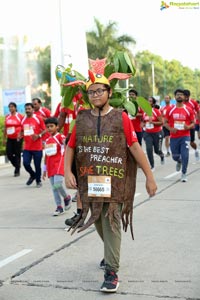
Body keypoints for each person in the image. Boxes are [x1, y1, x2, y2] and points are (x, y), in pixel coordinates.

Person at [64, 72, 157, 293]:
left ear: (109, 92)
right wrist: (67, 172)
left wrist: (150, 177)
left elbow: (134, 147)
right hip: (91, 180)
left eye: (99, 90)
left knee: (111, 221)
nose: (95, 95)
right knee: (97, 221)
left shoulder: (121, 117)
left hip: (116, 181)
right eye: (91, 91)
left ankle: (111, 272)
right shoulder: (82, 118)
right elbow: (70, 146)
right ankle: (110, 254)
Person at [42, 117, 71, 216]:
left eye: (51, 126)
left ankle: (66, 197)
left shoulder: (60, 137)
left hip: (59, 163)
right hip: (50, 165)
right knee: (54, 188)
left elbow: (67, 143)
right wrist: (44, 170)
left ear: (57, 127)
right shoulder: (47, 140)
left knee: (57, 183)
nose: (49, 128)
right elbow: (46, 155)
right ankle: (59, 207)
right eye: (47, 127)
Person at [164, 89, 195, 182]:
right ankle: (178, 161)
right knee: (175, 156)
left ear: (184, 97)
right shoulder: (170, 109)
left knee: (185, 155)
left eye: (181, 95)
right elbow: (164, 122)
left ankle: (184, 173)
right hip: (174, 137)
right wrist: (170, 129)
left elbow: (193, 123)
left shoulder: (188, 110)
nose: (179, 96)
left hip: (185, 136)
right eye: (177, 95)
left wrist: (188, 126)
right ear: (175, 97)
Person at [20, 103, 46, 187]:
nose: (27, 110)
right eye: (26, 109)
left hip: (37, 147)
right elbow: (22, 130)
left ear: (32, 109)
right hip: (27, 147)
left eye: (29, 109)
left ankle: (38, 181)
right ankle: (33, 174)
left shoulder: (38, 118)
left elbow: (45, 130)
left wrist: (39, 135)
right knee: (25, 163)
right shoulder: (23, 119)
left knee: (37, 165)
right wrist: (20, 135)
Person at [142, 96, 165, 171]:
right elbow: (143, 120)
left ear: (153, 103)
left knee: (157, 150)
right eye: (147, 101)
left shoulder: (156, 111)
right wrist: (142, 124)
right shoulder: (144, 111)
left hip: (157, 133)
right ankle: (152, 165)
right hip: (147, 133)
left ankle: (161, 155)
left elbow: (162, 122)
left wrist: (153, 122)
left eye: (150, 101)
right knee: (149, 149)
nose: (148, 102)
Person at [3, 102, 23, 176]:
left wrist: (21, 134)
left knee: (17, 153)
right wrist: (4, 138)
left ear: (15, 107)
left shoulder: (19, 116)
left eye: (12, 107)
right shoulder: (7, 116)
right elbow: (5, 128)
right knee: (9, 153)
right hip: (10, 138)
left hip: (18, 138)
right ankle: (17, 165)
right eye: (9, 107)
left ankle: (17, 171)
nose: (11, 108)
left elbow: (23, 126)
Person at [183, 89, 200, 161]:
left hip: (191, 125)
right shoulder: (180, 103)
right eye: (185, 96)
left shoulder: (193, 103)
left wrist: (198, 119)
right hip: (182, 126)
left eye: (187, 97)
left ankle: (196, 150)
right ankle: (183, 158)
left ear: (189, 96)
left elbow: (198, 111)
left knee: (191, 142)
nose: (185, 98)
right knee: (182, 141)